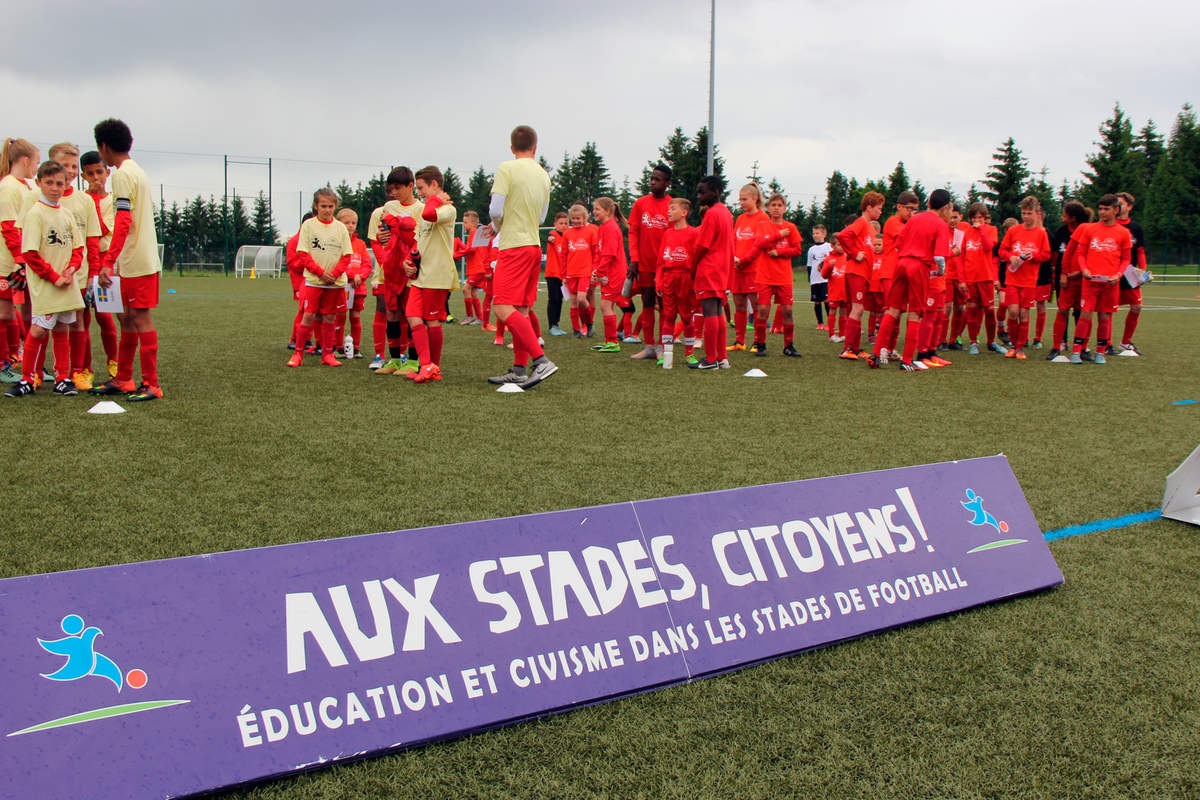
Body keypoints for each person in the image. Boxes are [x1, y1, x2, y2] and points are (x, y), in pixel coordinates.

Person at [89, 119, 163, 401]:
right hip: (136, 260)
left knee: (140, 318)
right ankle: (124, 379)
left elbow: (123, 220)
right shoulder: (136, 171)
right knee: (129, 319)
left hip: (137, 260)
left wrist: (108, 261)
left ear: (104, 146)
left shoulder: (121, 175)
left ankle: (151, 384)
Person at [484, 125, 556, 388]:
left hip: (513, 246)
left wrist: (497, 224)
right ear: (535, 148)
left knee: (502, 306)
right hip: (534, 246)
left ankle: (540, 361)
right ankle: (518, 370)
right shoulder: (543, 175)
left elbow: (495, 208)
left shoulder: (507, 168)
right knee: (522, 310)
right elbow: (542, 217)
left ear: (512, 148)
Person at [5, 160, 83, 397]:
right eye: (49, 182)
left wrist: (71, 269)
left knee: (62, 329)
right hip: (47, 286)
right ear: (38, 183)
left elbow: (78, 248)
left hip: (66, 284)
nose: (55, 187)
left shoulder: (67, 214)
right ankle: (27, 379)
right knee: (38, 329)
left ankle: (62, 378)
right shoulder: (35, 214)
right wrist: (53, 277)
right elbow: (30, 253)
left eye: (60, 183)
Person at [867, 189, 953, 371]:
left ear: (929, 204)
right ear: (946, 207)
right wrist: (939, 271)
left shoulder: (914, 219)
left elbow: (899, 244)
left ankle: (875, 354)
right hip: (919, 267)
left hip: (902, 264)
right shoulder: (940, 224)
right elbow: (939, 257)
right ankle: (906, 361)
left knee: (892, 310)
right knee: (915, 313)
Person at [43, 143, 102, 390]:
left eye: (72, 166)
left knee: (78, 322)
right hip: (48, 275)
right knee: (45, 324)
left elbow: (92, 240)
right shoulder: (43, 202)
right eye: (63, 166)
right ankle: (42, 373)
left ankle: (77, 372)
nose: (69, 171)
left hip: (78, 274)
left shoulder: (84, 201)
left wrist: (93, 275)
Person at [285, 188, 353, 368]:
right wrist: (320, 273)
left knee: (330, 318)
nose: (327, 209)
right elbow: (303, 253)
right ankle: (298, 354)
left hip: (334, 283)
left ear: (335, 207)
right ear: (316, 206)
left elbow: (347, 256)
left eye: (331, 206)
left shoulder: (340, 228)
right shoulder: (308, 226)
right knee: (308, 316)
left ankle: (327, 354)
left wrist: (335, 274)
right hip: (314, 281)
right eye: (323, 206)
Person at [402, 166, 456, 383]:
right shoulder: (430, 207)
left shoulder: (448, 209)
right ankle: (426, 365)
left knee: (432, 321)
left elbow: (428, 214)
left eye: (422, 188)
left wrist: (436, 200)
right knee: (413, 316)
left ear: (435, 185)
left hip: (437, 275)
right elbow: (418, 242)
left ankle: (434, 367)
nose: (419, 193)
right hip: (421, 276)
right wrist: (408, 261)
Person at [1068, 194, 1130, 365]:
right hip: (1090, 282)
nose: (1102, 212)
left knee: (1104, 317)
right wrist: (1084, 269)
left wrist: (1118, 275)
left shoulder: (1123, 233)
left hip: (1110, 283)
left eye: (1106, 209)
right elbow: (1081, 254)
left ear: (1115, 210)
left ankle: (1100, 352)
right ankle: (1076, 351)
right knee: (1085, 314)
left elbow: (1126, 259)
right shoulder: (1089, 229)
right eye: (1101, 209)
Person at [371, 167, 421, 375]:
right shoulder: (388, 207)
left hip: (410, 271)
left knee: (411, 315)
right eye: (391, 188)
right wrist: (385, 238)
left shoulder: (421, 209)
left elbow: (416, 239)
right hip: (389, 271)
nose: (394, 192)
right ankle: (394, 361)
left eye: (398, 188)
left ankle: (413, 362)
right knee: (391, 313)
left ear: (411, 186)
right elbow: (381, 236)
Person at [0, 137, 38, 382]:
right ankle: (4, 363)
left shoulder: (25, 187)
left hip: (22, 262)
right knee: (4, 313)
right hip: (7, 263)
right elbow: (9, 227)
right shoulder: (8, 187)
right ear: (25, 161)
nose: (37, 167)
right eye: (36, 162)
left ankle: (20, 359)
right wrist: (19, 260)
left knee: (23, 311)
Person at [80, 150, 119, 377]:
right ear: (83, 176)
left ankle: (113, 362)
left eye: (99, 172)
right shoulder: (80, 200)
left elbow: (103, 229)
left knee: (104, 315)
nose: (96, 178)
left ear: (107, 172)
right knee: (82, 317)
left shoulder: (112, 201)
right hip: (85, 263)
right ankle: (85, 369)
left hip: (106, 263)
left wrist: (95, 199)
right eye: (90, 173)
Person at [688, 175, 734, 370]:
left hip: (709, 267)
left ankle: (710, 359)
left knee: (709, 312)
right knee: (717, 311)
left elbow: (702, 246)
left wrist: (692, 267)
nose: (699, 195)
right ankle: (722, 358)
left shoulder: (712, 214)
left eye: (702, 191)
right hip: (722, 268)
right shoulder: (726, 212)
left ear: (715, 192)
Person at [997, 197, 1051, 360]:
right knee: (1013, 312)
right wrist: (1010, 257)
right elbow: (1002, 250)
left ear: (1037, 214)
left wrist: (1033, 256)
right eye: (1023, 213)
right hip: (1013, 279)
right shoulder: (1014, 231)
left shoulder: (1041, 234)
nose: (1026, 216)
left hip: (1029, 280)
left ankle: (1020, 347)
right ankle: (1013, 345)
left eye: (1029, 213)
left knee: (1024, 314)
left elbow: (1046, 255)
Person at [627, 164, 672, 359]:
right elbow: (633, 232)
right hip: (644, 264)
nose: (653, 182)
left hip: (664, 266)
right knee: (647, 303)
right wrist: (634, 259)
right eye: (651, 178)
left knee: (664, 306)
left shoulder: (673, 205)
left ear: (667, 184)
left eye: (657, 179)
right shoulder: (641, 203)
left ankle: (663, 346)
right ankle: (649, 346)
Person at [751, 194, 803, 357]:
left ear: (785, 208)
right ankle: (760, 343)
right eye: (773, 205)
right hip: (765, 276)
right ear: (767, 208)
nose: (776, 208)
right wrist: (779, 236)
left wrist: (780, 252)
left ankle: (788, 345)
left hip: (784, 277)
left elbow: (797, 250)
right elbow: (759, 244)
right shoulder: (763, 225)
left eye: (779, 205)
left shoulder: (791, 227)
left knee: (787, 310)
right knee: (763, 310)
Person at [835, 191, 884, 359]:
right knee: (857, 308)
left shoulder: (869, 227)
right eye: (878, 208)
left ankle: (854, 348)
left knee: (858, 309)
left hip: (862, 274)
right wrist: (855, 253)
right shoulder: (861, 222)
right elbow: (843, 236)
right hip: (856, 271)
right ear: (869, 207)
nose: (880, 212)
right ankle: (848, 348)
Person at [656, 196, 698, 367]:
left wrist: (695, 282)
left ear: (684, 212)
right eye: (669, 208)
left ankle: (690, 353)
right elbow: (660, 261)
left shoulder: (694, 233)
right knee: (668, 316)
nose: (669, 212)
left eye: (673, 208)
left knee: (687, 317)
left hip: (686, 279)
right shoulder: (667, 234)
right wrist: (658, 281)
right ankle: (666, 353)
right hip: (669, 278)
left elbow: (698, 260)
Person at [729, 184, 771, 351]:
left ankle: (757, 341)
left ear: (755, 198)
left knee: (756, 307)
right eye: (740, 199)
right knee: (739, 306)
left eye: (744, 199)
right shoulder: (740, 218)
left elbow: (759, 244)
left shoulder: (763, 218)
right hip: (737, 269)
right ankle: (739, 341)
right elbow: (733, 241)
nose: (741, 202)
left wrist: (745, 260)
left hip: (754, 268)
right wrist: (733, 258)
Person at [1047, 201, 1090, 360]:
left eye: (1064, 214)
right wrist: (1062, 274)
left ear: (1073, 217)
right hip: (1065, 279)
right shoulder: (1061, 232)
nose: (1062, 217)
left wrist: (1080, 272)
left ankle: (1082, 347)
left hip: (1084, 279)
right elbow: (1060, 255)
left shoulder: (1088, 230)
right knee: (1063, 310)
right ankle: (1057, 346)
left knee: (1083, 313)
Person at [960, 203, 1001, 355]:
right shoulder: (966, 232)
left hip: (985, 277)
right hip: (970, 278)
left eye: (981, 218)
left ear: (985, 218)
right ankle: (973, 342)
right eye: (975, 218)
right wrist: (962, 279)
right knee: (971, 310)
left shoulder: (991, 230)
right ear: (970, 218)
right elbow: (961, 257)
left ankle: (991, 342)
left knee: (989, 311)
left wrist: (982, 229)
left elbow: (988, 246)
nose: (977, 221)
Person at [589, 196, 628, 353]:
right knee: (608, 305)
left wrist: (600, 272)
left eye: (597, 209)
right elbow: (602, 253)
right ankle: (609, 340)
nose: (594, 212)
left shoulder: (610, 227)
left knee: (605, 305)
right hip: (610, 272)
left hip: (614, 273)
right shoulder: (604, 227)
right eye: (594, 209)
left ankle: (612, 342)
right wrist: (597, 270)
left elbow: (609, 254)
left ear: (607, 211)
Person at [1114, 191, 1147, 354]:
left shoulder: (1135, 228)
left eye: (1122, 203)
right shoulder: (1110, 225)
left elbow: (1140, 251)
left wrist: (1143, 271)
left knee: (1136, 307)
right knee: (1106, 310)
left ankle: (1126, 343)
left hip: (1130, 273)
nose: (1119, 207)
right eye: (1116, 204)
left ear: (1130, 206)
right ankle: (1104, 343)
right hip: (1112, 271)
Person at [337, 207, 371, 358]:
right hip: (343, 286)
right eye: (346, 223)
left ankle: (356, 347)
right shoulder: (337, 243)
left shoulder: (361, 244)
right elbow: (338, 262)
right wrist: (351, 275)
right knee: (340, 316)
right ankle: (338, 347)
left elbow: (367, 264)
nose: (350, 225)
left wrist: (361, 276)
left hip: (358, 288)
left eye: (353, 223)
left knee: (355, 316)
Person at [562, 203, 597, 337]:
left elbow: (596, 254)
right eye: (573, 218)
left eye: (578, 218)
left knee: (582, 299)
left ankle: (589, 324)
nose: (576, 221)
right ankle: (576, 330)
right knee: (573, 301)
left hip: (585, 272)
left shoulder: (591, 232)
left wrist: (594, 270)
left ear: (585, 218)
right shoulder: (567, 234)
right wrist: (564, 274)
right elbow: (564, 255)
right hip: (571, 273)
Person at [542, 211, 568, 335]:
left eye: (566, 223)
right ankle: (552, 325)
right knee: (554, 299)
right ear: (555, 224)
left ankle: (556, 324)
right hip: (552, 273)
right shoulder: (553, 234)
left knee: (560, 299)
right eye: (561, 223)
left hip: (563, 275)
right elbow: (549, 237)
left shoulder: (568, 237)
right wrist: (550, 238)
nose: (564, 225)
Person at [806, 224, 831, 329]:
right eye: (814, 233)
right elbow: (809, 265)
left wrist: (823, 265)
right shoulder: (811, 249)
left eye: (817, 233)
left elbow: (831, 260)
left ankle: (830, 323)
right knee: (817, 301)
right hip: (815, 279)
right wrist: (810, 278)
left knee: (827, 300)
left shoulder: (828, 247)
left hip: (825, 279)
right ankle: (820, 323)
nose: (815, 235)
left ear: (824, 234)